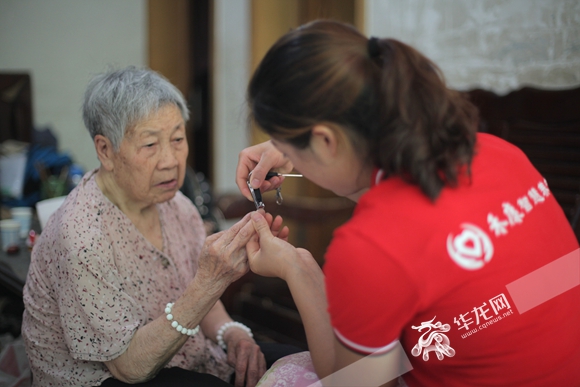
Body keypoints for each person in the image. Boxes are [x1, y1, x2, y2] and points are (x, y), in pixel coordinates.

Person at [237, 20, 580, 386]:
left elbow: (355, 382)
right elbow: (548, 282)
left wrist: (298, 268)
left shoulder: (368, 246)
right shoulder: (497, 153)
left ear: (325, 141)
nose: (290, 162)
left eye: (290, 152)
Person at [21, 67, 294, 387]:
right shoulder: (82, 237)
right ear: (105, 151)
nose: (170, 160)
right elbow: (129, 368)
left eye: (178, 139)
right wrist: (210, 281)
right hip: (110, 376)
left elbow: (198, 299)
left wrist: (233, 335)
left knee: (291, 361)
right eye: (150, 145)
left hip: (182, 355)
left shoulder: (177, 206)